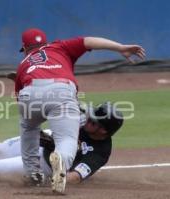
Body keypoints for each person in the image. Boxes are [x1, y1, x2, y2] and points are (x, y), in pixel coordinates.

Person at [14, 28, 145, 193]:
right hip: (61, 89)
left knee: (28, 127)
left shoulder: (23, 64)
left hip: (29, 92)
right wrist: (120, 47)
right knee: (67, 139)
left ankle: (32, 174)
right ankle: (61, 163)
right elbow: (89, 41)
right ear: (45, 43)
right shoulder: (59, 46)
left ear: (24, 48)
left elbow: (19, 99)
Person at [0, 102, 123, 185]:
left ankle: (35, 178)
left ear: (104, 131)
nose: (88, 120)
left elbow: (76, 176)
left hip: (46, 164)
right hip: (49, 139)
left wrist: (55, 180)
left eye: (94, 121)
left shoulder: (100, 153)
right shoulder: (84, 118)